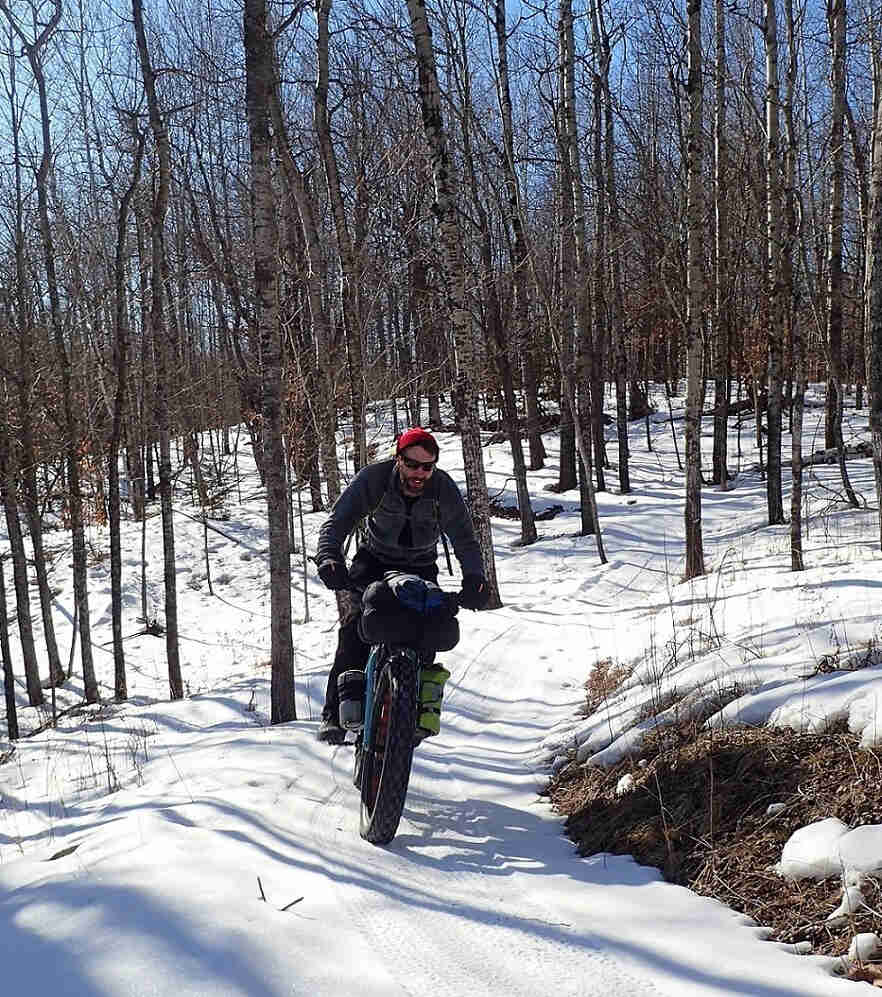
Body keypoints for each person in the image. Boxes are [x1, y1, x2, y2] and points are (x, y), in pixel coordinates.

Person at [314, 427, 489, 744]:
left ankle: (413, 711)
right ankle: (333, 716)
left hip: (421, 567)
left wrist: (475, 577)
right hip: (374, 562)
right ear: (398, 460)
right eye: (412, 464)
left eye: (427, 467)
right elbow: (336, 523)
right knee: (355, 629)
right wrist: (329, 559)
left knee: (428, 630)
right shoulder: (375, 480)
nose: (419, 473)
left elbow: (464, 538)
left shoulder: (442, 489)